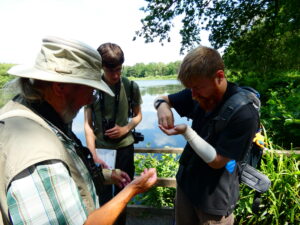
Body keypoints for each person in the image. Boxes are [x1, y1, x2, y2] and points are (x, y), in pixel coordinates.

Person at [0, 36, 157, 225]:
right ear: (59, 87)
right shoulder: (39, 157)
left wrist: (107, 175)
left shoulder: (33, 117)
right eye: (90, 89)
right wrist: (132, 189)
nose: (91, 99)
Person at [154, 46, 259, 225]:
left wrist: (187, 132)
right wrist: (162, 107)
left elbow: (217, 162)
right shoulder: (197, 91)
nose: (193, 96)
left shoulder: (244, 113)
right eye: (190, 89)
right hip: (187, 186)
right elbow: (162, 98)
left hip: (214, 200)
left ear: (219, 76)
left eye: (197, 88)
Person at [84, 43, 142, 224]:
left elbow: (138, 116)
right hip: (101, 153)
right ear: (101, 67)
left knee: (123, 196)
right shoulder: (91, 88)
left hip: (124, 149)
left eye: (119, 70)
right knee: (102, 198)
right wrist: (93, 155)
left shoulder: (130, 86)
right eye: (111, 71)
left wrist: (125, 129)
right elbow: (87, 125)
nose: (116, 75)